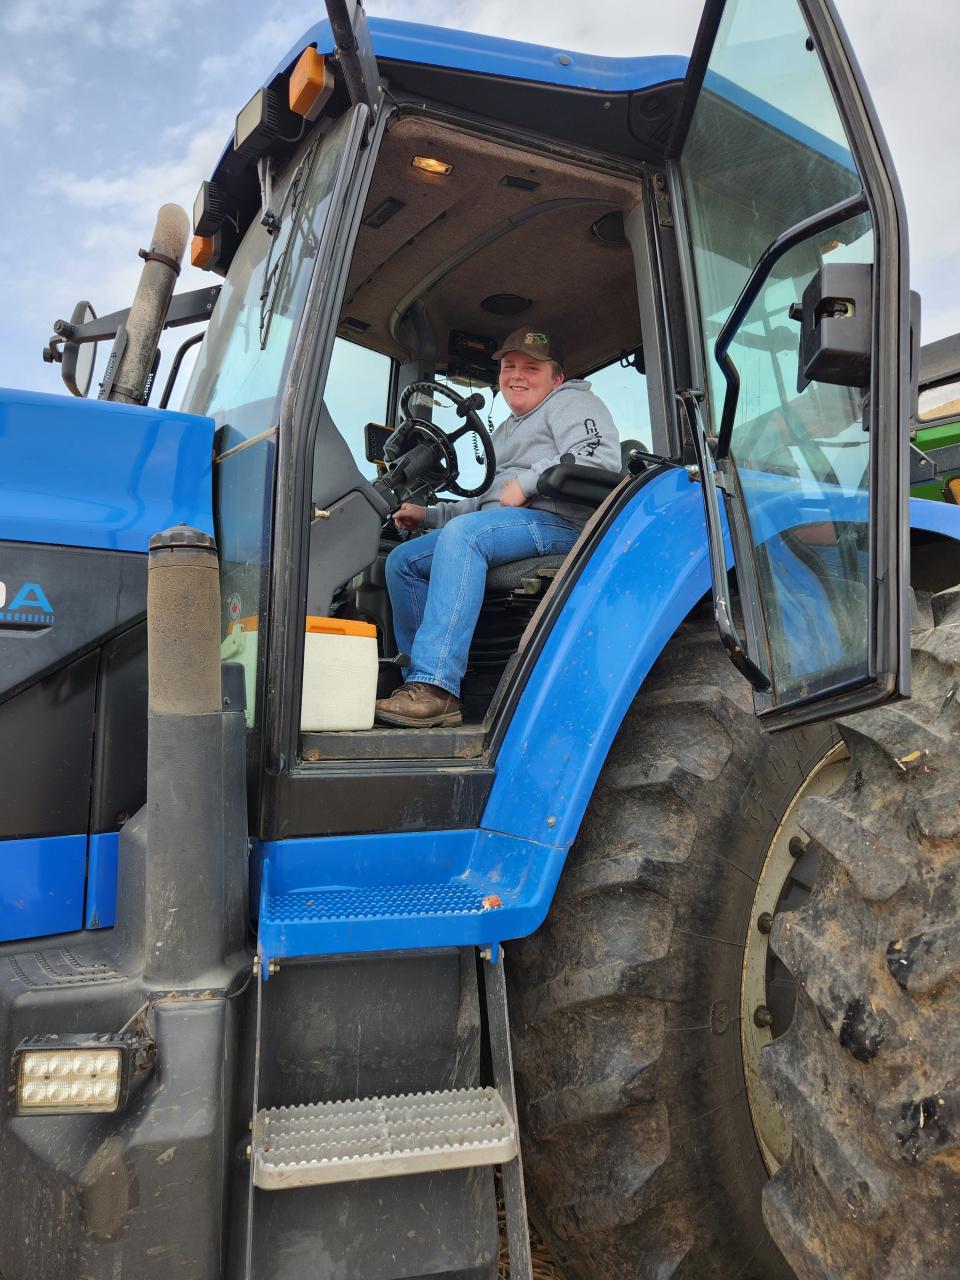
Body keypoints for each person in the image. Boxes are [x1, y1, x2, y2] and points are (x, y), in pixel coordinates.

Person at [374, 327, 621, 727]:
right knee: (403, 561)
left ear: (556, 378)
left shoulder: (572, 401)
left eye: (531, 367)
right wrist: (431, 515)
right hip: (511, 524)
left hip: (563, 523)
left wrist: (527, 484)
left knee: (465, 537)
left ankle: (436, 686)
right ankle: (418, 686)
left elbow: (598, 456)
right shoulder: (506, 428)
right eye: (509, 367)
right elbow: (487, 500)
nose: (516, 375)